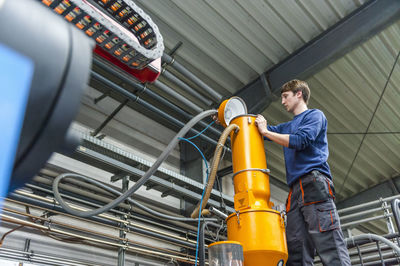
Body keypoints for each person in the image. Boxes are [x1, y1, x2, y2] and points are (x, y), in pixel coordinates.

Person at [254, 79, 351, 266]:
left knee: (329, 244)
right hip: (295, 192)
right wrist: (233, 119)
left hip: (314, 184)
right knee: (296, 251)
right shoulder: (286, 127)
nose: (282, 102)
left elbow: (301, 140)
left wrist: (266, 131)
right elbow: (258, 131)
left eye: (285, 96)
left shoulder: (315, 116)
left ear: (299, 94)